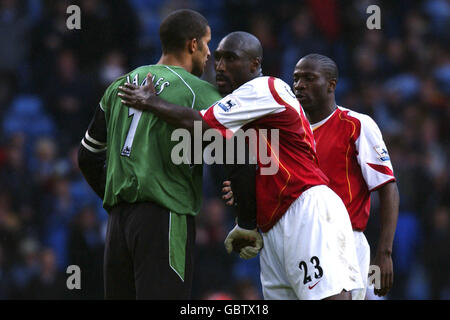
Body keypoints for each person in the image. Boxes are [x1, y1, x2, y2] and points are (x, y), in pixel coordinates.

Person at [117, 31, 364, 300]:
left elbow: (200, 124)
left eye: (231, 59)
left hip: (305, 207)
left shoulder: (263, 88)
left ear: (254, 65)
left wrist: (150, 101)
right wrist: (248, 219)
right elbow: (248, 164)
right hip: (274, 222)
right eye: (219, 58)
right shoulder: (245, 112)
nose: (220, 66)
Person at [77, 9, 222, 299]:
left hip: (118, 224)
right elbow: (237, 149)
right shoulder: (199, 92)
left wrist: (116, 195)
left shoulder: (119, 85)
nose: (209, 55)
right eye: (207, 44)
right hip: (164, 218)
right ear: (193, 44)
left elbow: (87, 156)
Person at [292, 54, 400, 299]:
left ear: (331, 84)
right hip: (296, 242)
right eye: (296, 79)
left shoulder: (356, 124)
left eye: (309, 78)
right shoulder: (290, 132)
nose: (299, 85)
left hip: (342, 241)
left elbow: (387, 186)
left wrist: (384, 252)